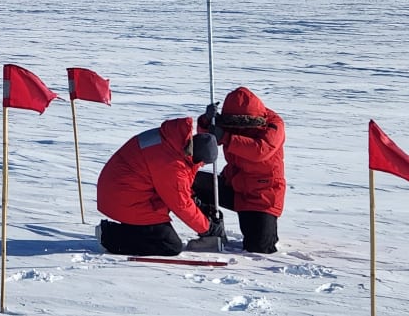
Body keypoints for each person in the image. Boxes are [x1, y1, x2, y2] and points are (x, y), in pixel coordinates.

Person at [96, 116, 225, 256]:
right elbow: (181, 204)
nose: (201, 166)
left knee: (161, 230)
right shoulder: (172, 165)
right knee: (169, 245)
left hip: (125, 188)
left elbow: (181, 188)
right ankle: (109, 235)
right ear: (198, 157)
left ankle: (134, 230)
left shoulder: (175, 141)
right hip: (123, 198)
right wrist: (207, 228)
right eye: (202, 164)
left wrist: (198, 205)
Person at [194, 86, 286, 253]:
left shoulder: (274, 125)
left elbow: (260, 150)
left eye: (242, 125)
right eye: (234, 125)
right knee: (191, 181)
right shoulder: (231, 122)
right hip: (234, 186)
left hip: (262, 196)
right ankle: (212, 230)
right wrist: (207, 121)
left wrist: (227, 136)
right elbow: (207, 140)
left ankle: (269, 234)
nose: (238, 128)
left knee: (259, 248)